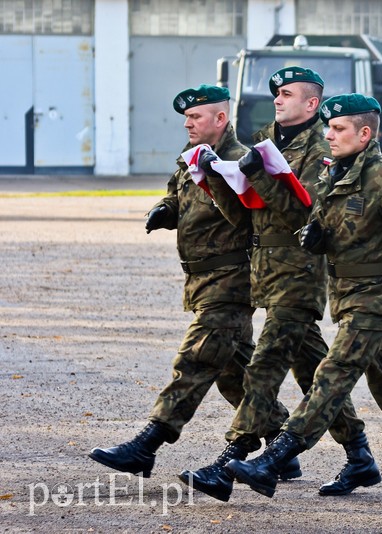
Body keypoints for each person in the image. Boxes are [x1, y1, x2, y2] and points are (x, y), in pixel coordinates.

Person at [223, 93, 382, 511]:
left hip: (378, 296)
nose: (329, 135)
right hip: (347, 297)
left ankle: (275, 459)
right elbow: (322, 220)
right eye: (328, 128)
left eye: (338, 128)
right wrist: (317, 235)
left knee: (334, 372)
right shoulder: (334, 173)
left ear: (365, 133)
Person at [179, 67, 376, 503]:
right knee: (312, 370)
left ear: (311, 104)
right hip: (265, 269)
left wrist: (259, 175)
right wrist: (214, 178)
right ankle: (360, 456)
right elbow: (246, 213)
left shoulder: (323, 148)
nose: (277, 100)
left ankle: (231, 460)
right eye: (276, 94)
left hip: (301, 270)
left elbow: (303, 214)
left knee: (265, 364)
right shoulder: (264, 140)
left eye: (286, 94)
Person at [89, 85, 254, 478]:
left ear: (220, 119)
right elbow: (176, 197)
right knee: (236, 375)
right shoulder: (192, 158)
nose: (187, 123)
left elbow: (250, 219)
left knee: (194, 360)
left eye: (196, 117)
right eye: (187, 117)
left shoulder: (240, 161)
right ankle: (282, 439)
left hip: (230, 281)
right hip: (201, 280)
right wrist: (163, 211)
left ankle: (147, 444)